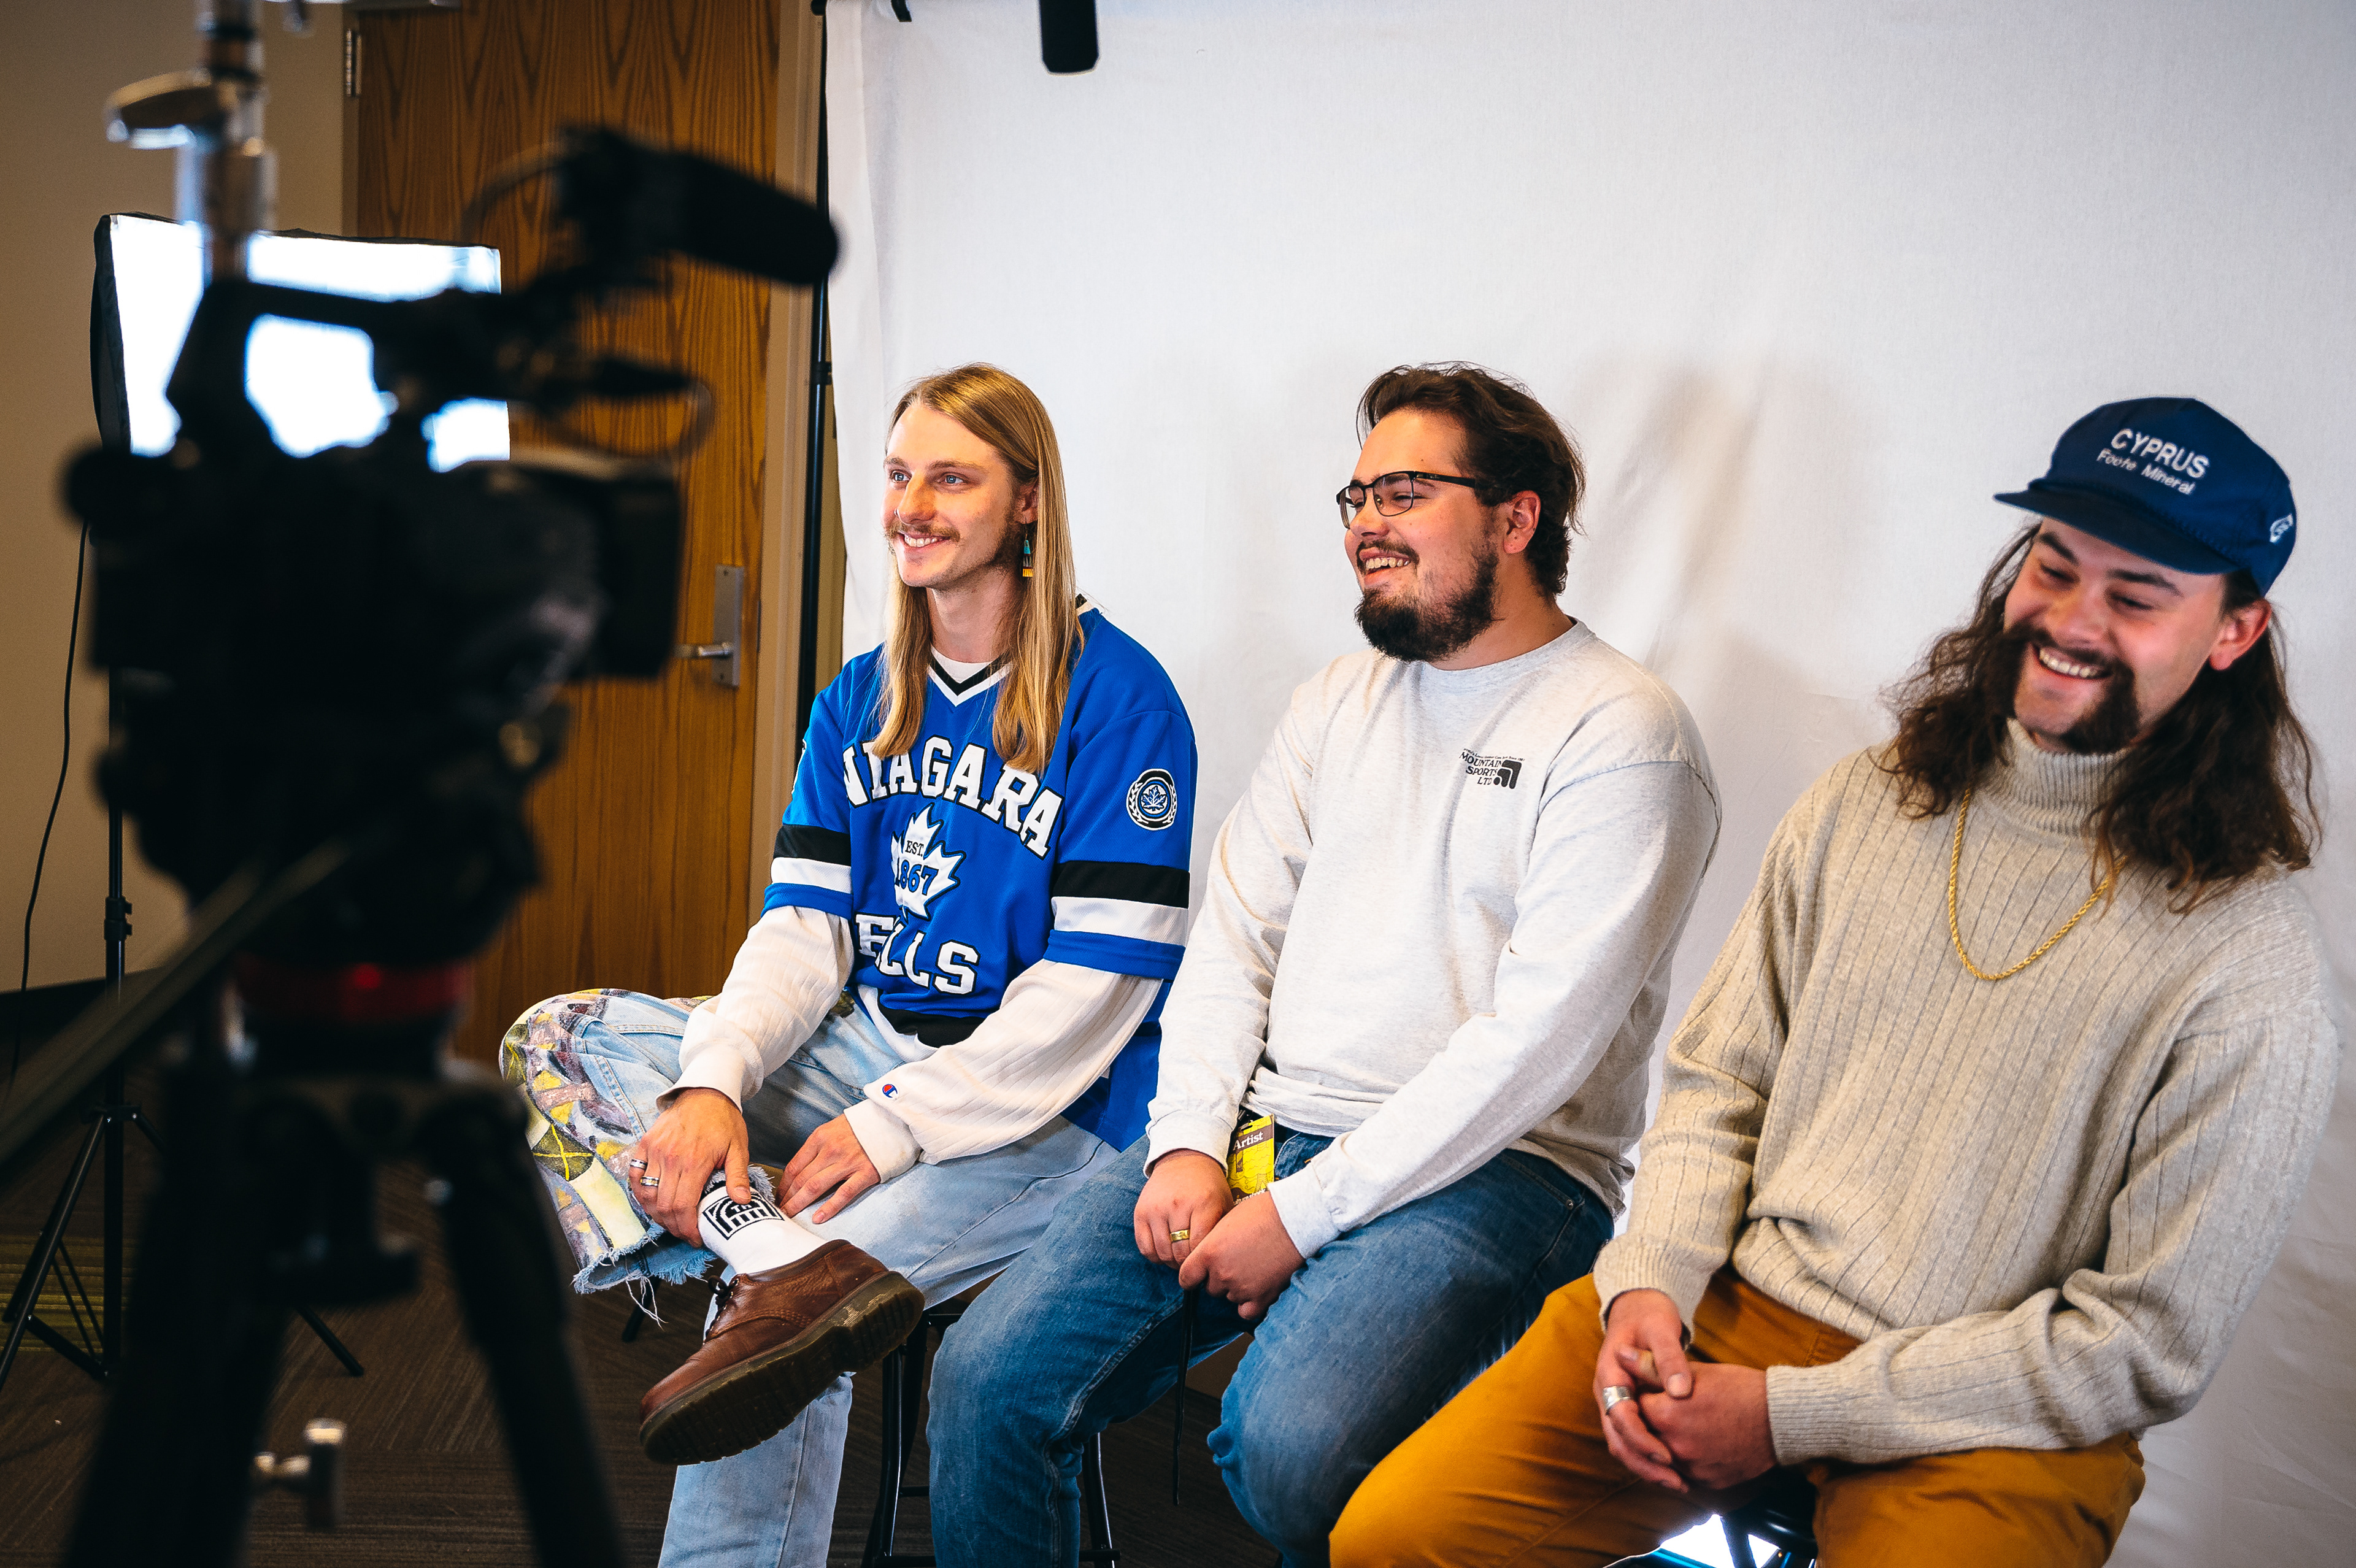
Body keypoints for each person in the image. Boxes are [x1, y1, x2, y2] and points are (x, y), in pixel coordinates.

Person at [1332, 396, 2336, 1567]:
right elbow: (1718, 1083)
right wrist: (1649, 1284)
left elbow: (2146, 1345)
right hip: (1732, 1307)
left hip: (1998, 1418)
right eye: (2055, 567)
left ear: (2234, 631)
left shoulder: (2251, 960)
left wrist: (1787, 1416)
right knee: (1391, 1543)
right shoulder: (1871, 798)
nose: (2072, 620)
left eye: (2138, 596)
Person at [923, 363, 1722, 1568]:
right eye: (1357, 498)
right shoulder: (1338, 700)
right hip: (1268, 1126)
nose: (1365, 527)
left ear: (1516, 519)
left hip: (1503, 1170)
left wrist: (1297, 1217)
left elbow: (1533, 1052)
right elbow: (1235, 935)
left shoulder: (1624, 733)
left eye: (1404, 495)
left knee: (1293, 1448)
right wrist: (1190, 1141)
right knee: (988, 1380)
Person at [501, 363, 1197, 1566]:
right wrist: (713, 1082)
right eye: (897, 475)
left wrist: (891, 1129)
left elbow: (1090, 1001)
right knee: (563, 1039)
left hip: (1056, 1112)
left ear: (1028, 502)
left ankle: (773, 1269)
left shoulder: (1123, 702)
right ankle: (769, 1244)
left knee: (772, 1330)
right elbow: (804, 930)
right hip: (874, 1045)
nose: (910, 507)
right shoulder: (861, 698)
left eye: (952, 479)